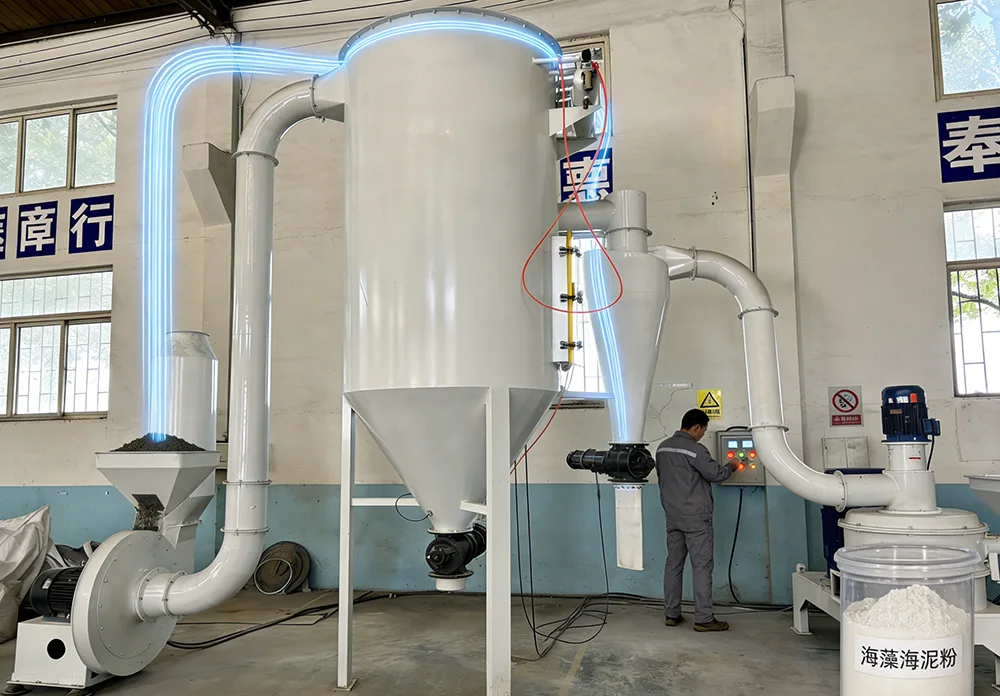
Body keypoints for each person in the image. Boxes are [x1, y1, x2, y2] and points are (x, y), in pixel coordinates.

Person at [656, 408, 739, 632]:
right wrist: (731, 466)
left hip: (672, 516)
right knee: (701, 567)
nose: (703, 434)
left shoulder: (662, 447)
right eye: (703, 430)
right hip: (696, 518)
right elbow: (717, 475)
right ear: (696, 427)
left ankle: (671, 614)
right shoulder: (695, 450)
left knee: (673, 565)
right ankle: (704, 618)